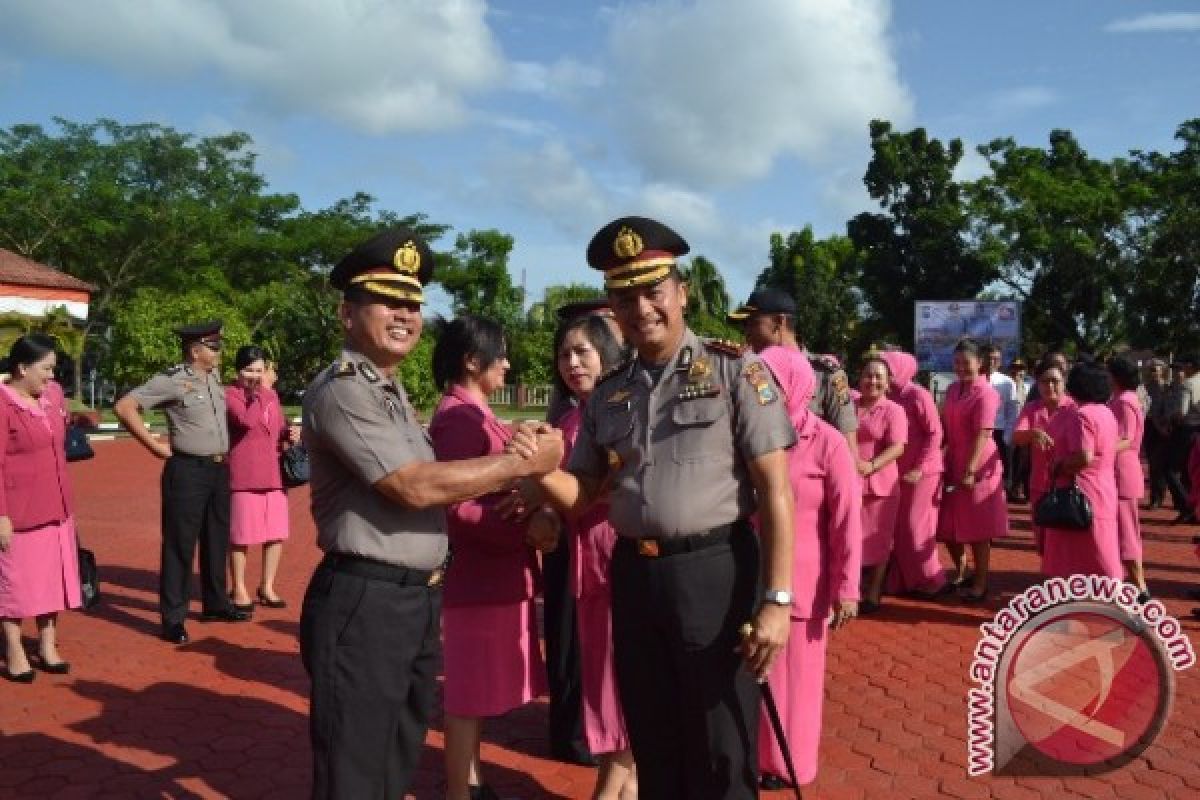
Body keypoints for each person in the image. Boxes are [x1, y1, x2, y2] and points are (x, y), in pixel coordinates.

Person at [527, 216, 796, 800]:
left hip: (715, 572)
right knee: (654, 734)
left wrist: (777, 601)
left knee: (721, 743)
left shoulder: (736, 371)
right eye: (625, 297)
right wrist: (538, 474)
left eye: (653, 290)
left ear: (682, 293)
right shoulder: (610, 390)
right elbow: (584, 490)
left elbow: (776, 491)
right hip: (634, 574)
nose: (641, 307)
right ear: (613, 310)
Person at [297, 227, 563, 800]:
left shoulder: (388, 391)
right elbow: (412, 486)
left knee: (396, 753)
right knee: (356, 768)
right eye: (388, 302)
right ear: (348, 314)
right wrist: (519, 462)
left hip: (411, 597)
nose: (404, 315)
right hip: (366, 600)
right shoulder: (346, 391)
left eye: (413, 304)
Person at [428, 315, 550, 800]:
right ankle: (461, 789)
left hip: (494, 573)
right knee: (466, 695)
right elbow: (457, 507)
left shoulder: (475, 412)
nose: (507, 362)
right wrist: (521, 526)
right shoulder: (460, 417)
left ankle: (472, 780)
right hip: (480, 575)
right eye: (498, 354)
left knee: (473, 693)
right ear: (472, 361)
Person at [756, 345, 860, 791]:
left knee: (796, 680)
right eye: (761, 387)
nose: (765, 395)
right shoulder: (754, 439)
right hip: (753, 576)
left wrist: (847, 587)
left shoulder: (828, 442)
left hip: (806, 582)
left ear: (796, 387)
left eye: (773, 386)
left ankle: (790, 763)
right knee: (759, 673)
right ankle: (759, 755)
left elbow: (846, 520)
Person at [115, 320, 249, 645]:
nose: (220, 351)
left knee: (216, 539)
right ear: (195, 350)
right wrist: (154, 445)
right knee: (180, 545)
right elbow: (125, 406)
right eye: (213, 347)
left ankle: (216, 603)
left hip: (218, 469)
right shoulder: (173, 381)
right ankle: (173, 617)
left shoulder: (213, 377)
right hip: (187, 470)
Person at [548, 312, 636, 799]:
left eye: (583, 351)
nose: (572, 362)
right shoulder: (569, 416)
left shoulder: (620, 410)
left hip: (616, 555)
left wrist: (542, 482)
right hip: (584, 557)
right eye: (564, 354)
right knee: (603, 676)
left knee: (617, 680)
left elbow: (603, 486)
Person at [0, 334, 79, 682]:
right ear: (21, 368)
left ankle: (48, 646)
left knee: (51, 581)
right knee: (14, 584)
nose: (51, 375)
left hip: (56, 504)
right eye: (45, 368)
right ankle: (15, 651)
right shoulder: (2, 405)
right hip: (18, 513)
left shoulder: (52, 396)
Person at [728, 286, 857, 452]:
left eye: (752, 323)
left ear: (779, 322)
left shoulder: (825, 373)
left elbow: (848, 448)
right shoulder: (749, 368)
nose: (747, 332)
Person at [225, 345, 299, 611]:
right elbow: (245, 421)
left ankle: (267, 586)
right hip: (244, 476)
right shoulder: (231, 395)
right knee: (241, 536)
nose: (254, 375)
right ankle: (239, 587)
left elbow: (276, 427)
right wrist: (258, 395)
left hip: (274, 475)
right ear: (238, 371)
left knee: (276, 534)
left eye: (259, 370)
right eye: (249, 370)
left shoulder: (271, 396)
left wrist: (289, 433)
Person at [937, 338, 1008, 601]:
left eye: (966, 362)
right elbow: (944, 427)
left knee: (979, 528)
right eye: (957, 362)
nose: (961, 368)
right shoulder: (953, 390)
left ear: (980, 364)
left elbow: (983, 433)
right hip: (953, 460)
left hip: (977, 464)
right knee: (946, 524)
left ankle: (980, 584)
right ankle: (962, 569)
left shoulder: (987, 393)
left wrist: (969, 469)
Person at [1041, 361, 1122, 580]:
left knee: (1072, 550)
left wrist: (1058, 465)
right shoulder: (1106, 412)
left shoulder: (1082, 415)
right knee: (1102, 547)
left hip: (1081, 489)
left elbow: (1084, 456)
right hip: (1103, 487)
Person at [879, 350, 948, 597]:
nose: (885, 373)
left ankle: (932, 579)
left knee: (915, 527)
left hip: (923, 472)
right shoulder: (889, 396)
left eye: (889, 368)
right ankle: (906, 580)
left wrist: (920, 467)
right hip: (899, 471)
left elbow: (935, 433)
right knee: (898, 527)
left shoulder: (918, 395)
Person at [853, 355, 907, 612]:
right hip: (849, 482)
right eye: (868, 375)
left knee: (879, 539)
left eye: (878, 377)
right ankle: (850, 590)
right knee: (850, 537)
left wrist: (872, 465)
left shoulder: (894, 410)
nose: (872, 381)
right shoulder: (849, 404)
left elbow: (898, 447)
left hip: (880, 485)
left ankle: (873, 592)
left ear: (888, 384)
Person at [1012, 360, 1076, 554]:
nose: (1049, 386)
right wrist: (1033, 433)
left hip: (1068, 485)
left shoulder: (1075, 409)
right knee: (1041, 539)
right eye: (1044, 381)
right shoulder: (1031, 408)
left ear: (1064, 381)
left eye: (1054, 381)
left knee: (1066, 539)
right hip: (1039, 483)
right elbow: (1017, 437)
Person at [1107, 355, 1149, 600]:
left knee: (1127, 534)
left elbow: (1127, 439)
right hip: (1121, 472)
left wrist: (1099, 450)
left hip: (1121, 473)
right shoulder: (1124, 399)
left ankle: (1140, 587)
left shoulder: (1124, 401)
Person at [1168, 354, 1200, 524]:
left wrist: (1171, 419)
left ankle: (1187, 506)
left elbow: (1181, 412)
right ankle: (1192, 508)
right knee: (1191, 472)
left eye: (1184, 366)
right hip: (1197, 431)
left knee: (1171, 469)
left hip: (1186, 431)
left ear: (1191, 366)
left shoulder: (1188, 384)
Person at [983, 344, 1017, 495]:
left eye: (995, 359)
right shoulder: (975, 379)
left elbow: (1012, 410)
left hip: (1000, 430)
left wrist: (1008, 435)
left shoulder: (1008, 382)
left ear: (1000, 362)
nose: (991, 362)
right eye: (988, 358)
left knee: (1000, 470)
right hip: (980, 430)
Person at [1143, 358, 1170, 509]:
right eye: (1151, 369)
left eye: (1156, 369)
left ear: (1162, 371)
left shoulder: (1167, 388)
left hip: (1162, 428)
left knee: (1159, 463)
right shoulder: (1145, 388)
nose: (1153, 372)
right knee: (1152, 463)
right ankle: (1155, 497)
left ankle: (1159, 496)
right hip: (1149, 427)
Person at [1007, 359, 1032, 501]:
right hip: (1008, 429)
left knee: (1021, 461)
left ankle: (1016, 488)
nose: (1017, 372)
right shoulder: (1006, 385)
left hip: (1023, 430)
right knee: (1008, 461)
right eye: (1015, 368)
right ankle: (1008, 487)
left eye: (1021, 369)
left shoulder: (1028, 387)